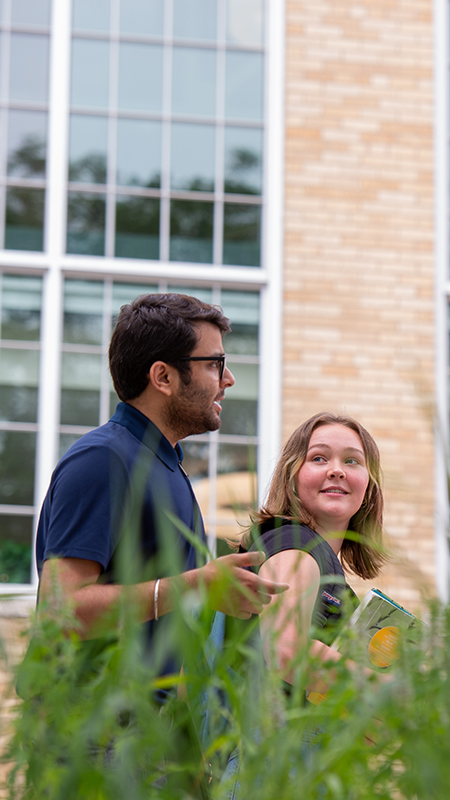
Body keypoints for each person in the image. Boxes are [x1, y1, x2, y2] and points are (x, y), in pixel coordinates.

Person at [35, 293, 287, 664]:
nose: (229, 379)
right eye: (216, 363)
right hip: (91, 719)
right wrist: (197, 584)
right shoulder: (104, 459)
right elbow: (61, 611)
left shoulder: (164, 465)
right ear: (163, 376)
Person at [244, 411, 386, 686]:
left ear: (369, 488)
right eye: (318, 458)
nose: (336, 470)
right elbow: (285, 652)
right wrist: (391, 694)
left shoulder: (319, 560)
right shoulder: (295, 545)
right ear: (291, 478)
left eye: (352, 461)